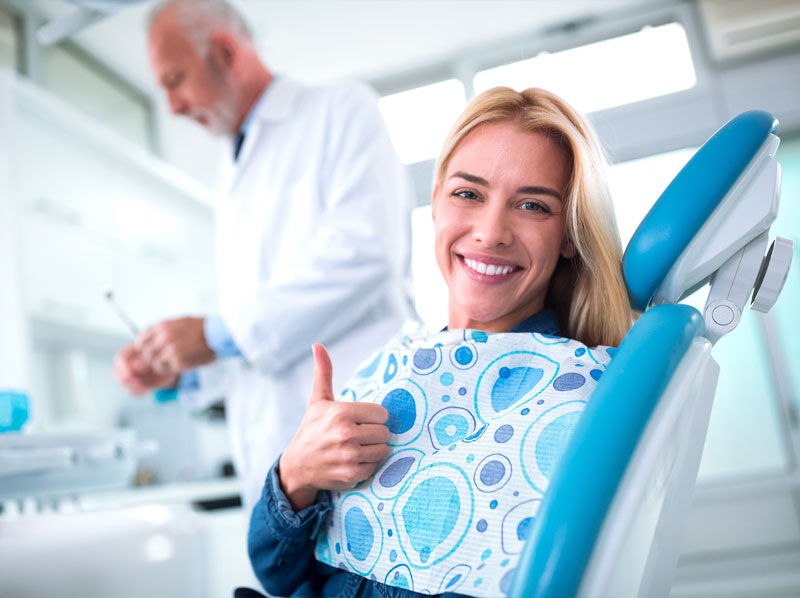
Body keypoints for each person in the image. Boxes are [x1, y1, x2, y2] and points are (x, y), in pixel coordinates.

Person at [246, 86, 632, 597]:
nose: (491, 232)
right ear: (435, 204)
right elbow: (277, 574)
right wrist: (295, 475)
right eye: (468, 193)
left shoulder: (579, 395)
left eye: (533, 205)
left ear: (568, 235)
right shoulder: (387, 371)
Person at [112, 0, 414, 510]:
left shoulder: (340, 111)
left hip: (358, 447)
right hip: (278, 470)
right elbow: (258, 333)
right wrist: (182, 365)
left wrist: (209, 335)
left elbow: (365, 252)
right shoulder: (230, 174)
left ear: (226, 52)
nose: (173, 107)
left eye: (175, 79)